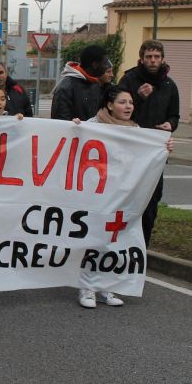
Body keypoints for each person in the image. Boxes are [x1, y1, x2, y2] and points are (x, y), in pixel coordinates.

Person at [72, 84, 173, 308]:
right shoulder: (93, 125)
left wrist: (164, 145)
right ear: (109, 105)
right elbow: (73, 141)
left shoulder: (136, 129)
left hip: (121, 195)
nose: (128, 106)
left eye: (130, 102)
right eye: (122, 102)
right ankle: (86, 287)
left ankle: (106, 286)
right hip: (95, 194)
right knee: (93, 239)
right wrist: (74, 128)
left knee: (114, 239)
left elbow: (144, 156)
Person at [119, 39, 180, 246]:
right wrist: (138, 98)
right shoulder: (129, 80)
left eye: (156, 57)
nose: (153, 61)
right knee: (127, 198)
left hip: (155, 153)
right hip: (130, 151)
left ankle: (142, 244)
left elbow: (174, 116)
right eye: (149, 57)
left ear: (162, 59)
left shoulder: (170, 85)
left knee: (152, 200)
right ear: (141, 59)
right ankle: (121, 241)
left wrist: (169, 125)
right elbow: (116, 111)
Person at [51, 45, 109, 121]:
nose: (107, 67)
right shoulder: (66, 88)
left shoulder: (95, 84)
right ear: (95, 65)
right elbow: (60, 122)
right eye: (105, 63)